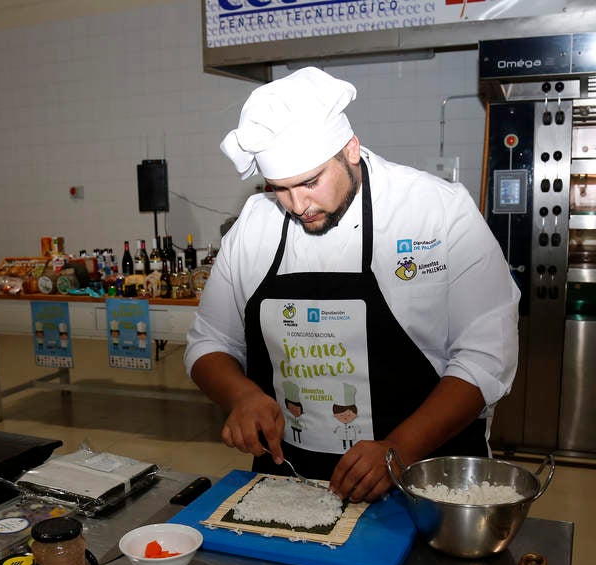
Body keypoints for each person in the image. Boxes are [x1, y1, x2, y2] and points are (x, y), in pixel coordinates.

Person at [184, 67, 520, 503]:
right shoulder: (253, 226)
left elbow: (486, 356)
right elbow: (208, 343)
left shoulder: (436, 211)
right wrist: (242, 395)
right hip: (293, 480)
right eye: (279, 188)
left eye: (310, 181)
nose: (298, 205)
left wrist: (397, 450)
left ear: (351, 150)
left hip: (426, 477)